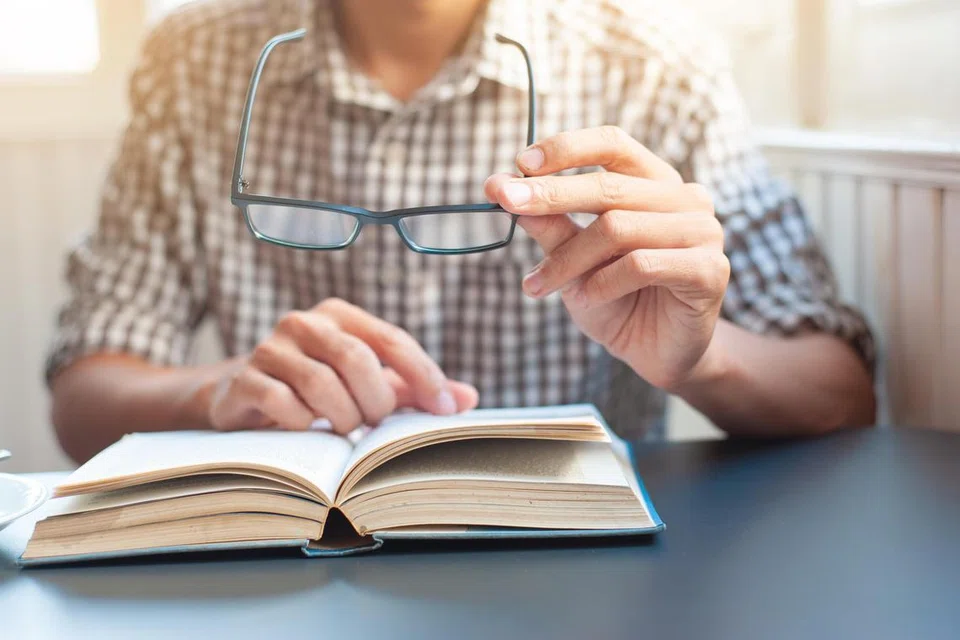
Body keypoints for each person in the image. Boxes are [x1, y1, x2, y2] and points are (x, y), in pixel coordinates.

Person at [49, 0, 876, 464]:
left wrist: (703, 356)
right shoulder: (194, 61)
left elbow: (841, 394)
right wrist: (218, 392)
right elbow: (87, 392)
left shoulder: (656, 65)